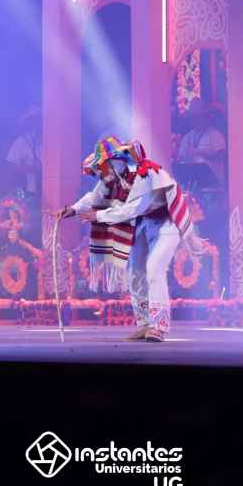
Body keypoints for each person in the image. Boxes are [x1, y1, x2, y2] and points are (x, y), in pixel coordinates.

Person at [58, 137, 192, 342]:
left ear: (116, 160)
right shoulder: (115, 176)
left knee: (154, 268)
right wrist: (73, 210)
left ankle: (159, 326)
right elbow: (95, 197)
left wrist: (98, 216)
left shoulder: (145, 174)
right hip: (143, 223)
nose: (102, 171)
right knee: (134, 271)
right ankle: (145, 323)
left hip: (166, 222)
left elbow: (130, 210)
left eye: (104, 164)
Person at [176, 97, 227, 188]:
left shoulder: (216, 135)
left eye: (197, 117)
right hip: (193, 185)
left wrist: (202, 153)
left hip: (213, 187)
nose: (194, 120)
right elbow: (181, 158)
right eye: (192, 118)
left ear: (206, 117)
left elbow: (221, 155)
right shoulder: (187, 137)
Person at [6, 105, 42, 200]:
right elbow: (12, 166)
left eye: (40, 118)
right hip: (30, 193)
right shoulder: (21, 141)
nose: (38, 123)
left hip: (53, 191)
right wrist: (31, 169)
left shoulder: (52, 140)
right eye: (35, 119)